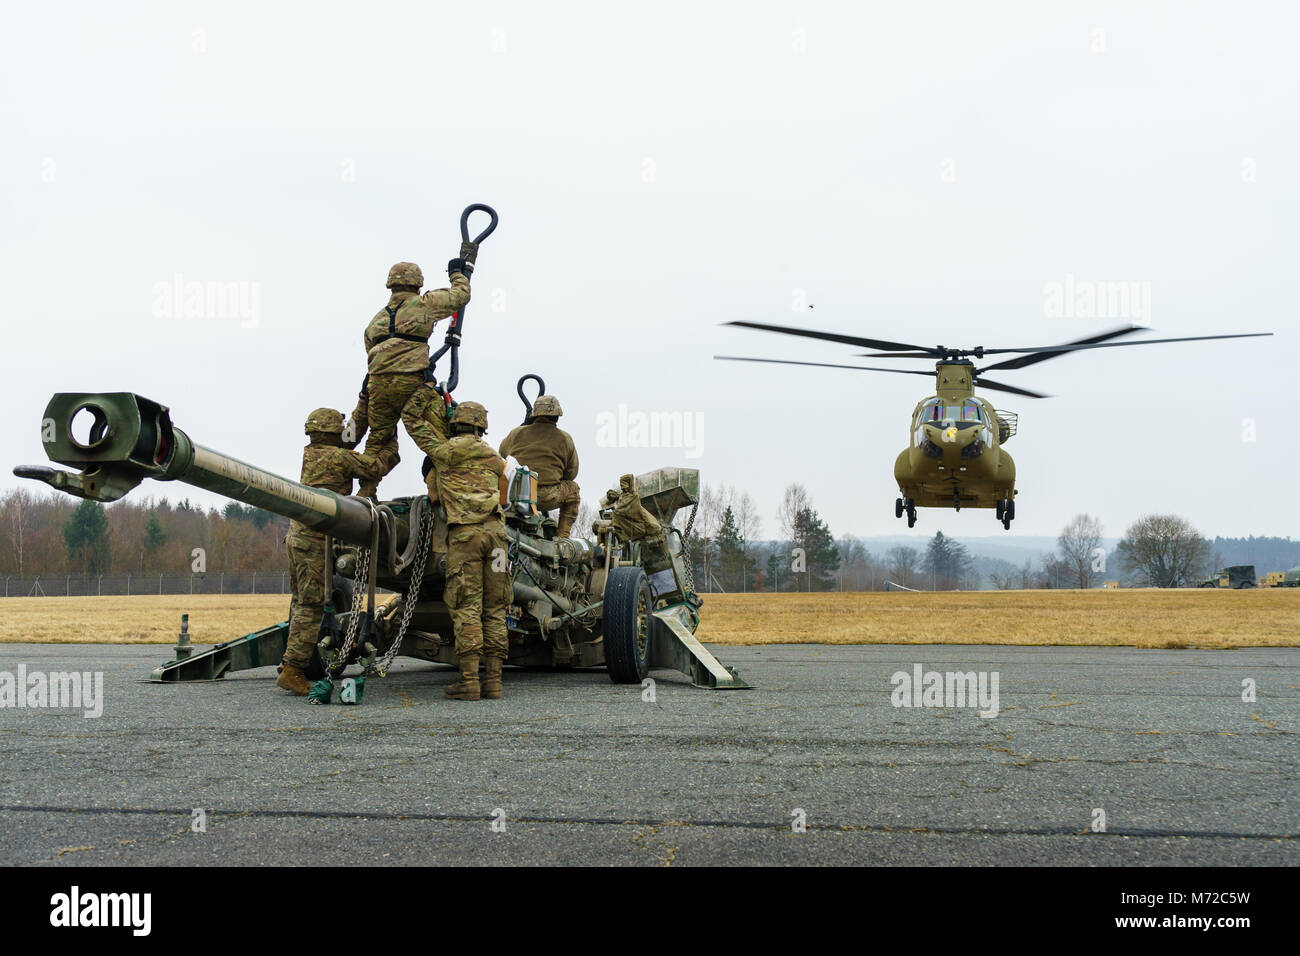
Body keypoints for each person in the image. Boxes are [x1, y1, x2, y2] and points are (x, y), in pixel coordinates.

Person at [277, 408, 393, 696]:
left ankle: (290, 663)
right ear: (332, 433)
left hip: (298, 537)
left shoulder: (313, 454)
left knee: (302, 601)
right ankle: (292, 669)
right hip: (314, 541)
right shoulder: (339, 457)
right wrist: (391, 441)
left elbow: (350, 443)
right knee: (311, 606)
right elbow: (374, 467)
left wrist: (364, 405)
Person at [357, 247, 475, 498]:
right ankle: (441, 484)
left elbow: (371, 353)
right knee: (438, 430)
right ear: (418, 285)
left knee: (378, 440)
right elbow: (460, 296)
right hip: (413, 384)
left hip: (378, 386)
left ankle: (366, 491)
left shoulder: (375, 321)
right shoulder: (424, 305)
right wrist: (457, 273)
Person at [427, 401, 510, 700]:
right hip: (498, 538)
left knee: (468, 607)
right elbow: (505, 492)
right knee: (496, 608)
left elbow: (435, 498)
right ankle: (495, 682)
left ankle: (470, 681)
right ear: (481, 426)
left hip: (467, 538)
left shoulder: (444, 454)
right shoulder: (495, 457)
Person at [498, 394, 580, 537]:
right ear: (557, 417)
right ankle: (562, 539)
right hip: (546, 496)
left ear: (533, 415)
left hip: (516, 494)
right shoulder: (565, 439)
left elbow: (502, 454)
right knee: (573, 489)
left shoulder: (516, 433)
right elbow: (571, 473)